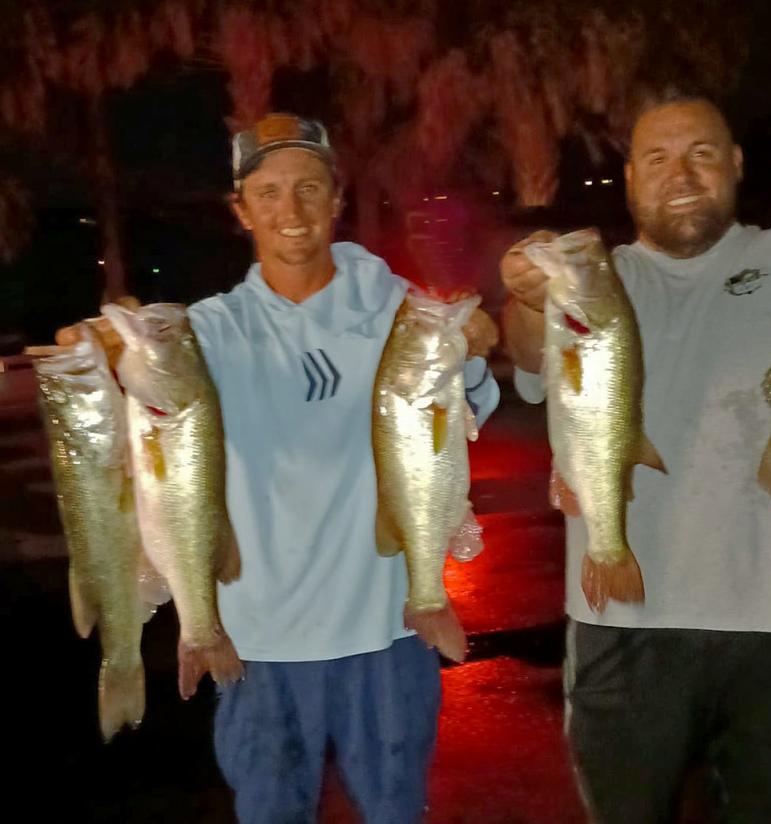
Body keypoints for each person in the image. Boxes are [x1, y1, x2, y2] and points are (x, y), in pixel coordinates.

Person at [58, 113, 501, 824]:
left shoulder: (403, 315)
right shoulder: (206, 333)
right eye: (267, 193)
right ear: (240, 210)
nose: (288, 210)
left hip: (385, 636)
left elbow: (460, 417)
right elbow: (123, 384)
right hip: (253, 648)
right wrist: (99, 349)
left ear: (335, 198)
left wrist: (475, 344)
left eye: (307, 188)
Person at [500, 89, 771, 824]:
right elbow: (532, 348)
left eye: (700, 154)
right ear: (630, 178)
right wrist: (528, 297)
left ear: (733, 165)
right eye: (658, 158)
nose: (681, 173)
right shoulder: (600, 278)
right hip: (624, 621)